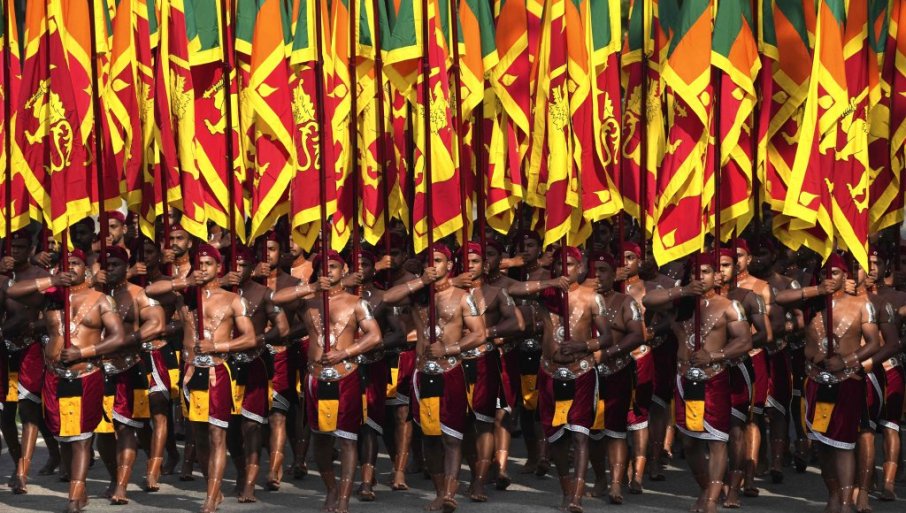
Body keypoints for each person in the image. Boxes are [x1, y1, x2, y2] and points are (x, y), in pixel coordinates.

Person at [9, 249, 128, 513]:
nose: (70, 267)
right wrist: (51, 281)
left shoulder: (100, 299)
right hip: (54, 377)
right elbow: (13, 291)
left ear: (86, 269)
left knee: (82, 439)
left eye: (75, 263)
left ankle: (74, 499)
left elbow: (118, 337)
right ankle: (79, 492)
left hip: (86, 375)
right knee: (63, 437)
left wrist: (84, 352)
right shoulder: (50, 299)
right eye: (65, 264)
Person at [149, 243, 256, 513]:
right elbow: (150, 291)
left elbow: (249, 338)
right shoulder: (184, 296)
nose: (203, 268)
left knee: (217, 434)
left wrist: (218, 346)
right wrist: (184, 282)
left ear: (219, 268)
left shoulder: (232, 299)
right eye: (200, 264)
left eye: (209, 264)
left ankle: (210, 496)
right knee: (199, 436)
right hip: (190, 371)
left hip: (217, 371)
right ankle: (213, 487)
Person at [273, 250, 382, 513]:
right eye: (323, 267)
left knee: (347, 439)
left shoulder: (357, 303)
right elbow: (276, 297)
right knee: (321, 440)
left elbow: (374, 336)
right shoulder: (308, 303)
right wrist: (311, 287)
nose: (328, 271)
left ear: (344, 271)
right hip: (316, 376)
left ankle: (343, 497)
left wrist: (346, 352)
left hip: (346, 375)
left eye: (333, 267)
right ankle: (331, 488)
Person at [644, 253, 753, 513]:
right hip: (684, 379)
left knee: (716, 440)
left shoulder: (730, 306)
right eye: (695, 272)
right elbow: (648, 300)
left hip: (714, 378)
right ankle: (707, 489)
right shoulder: (680, 304)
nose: (700, 277)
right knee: (690, 441)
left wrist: (715, 355)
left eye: (705, 272)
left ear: (716, 276)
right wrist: (683, 290)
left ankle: (712, 500)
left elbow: (745, 341)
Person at [383, 243, 487, 512]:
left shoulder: (464, 296)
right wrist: (421, 281)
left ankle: (451, 493)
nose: (433, 265)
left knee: (452, 436)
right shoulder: (418, 296)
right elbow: (388, 298)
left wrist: (450, 349)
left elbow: (479, 334)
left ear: (449, 265)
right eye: (429, 261)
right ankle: (440, 492)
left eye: (438, 261)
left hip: (451, 370)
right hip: (423, 372)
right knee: (429, 437)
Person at [801, 253, 881, 513]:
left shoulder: (862, 305)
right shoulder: (813, 304)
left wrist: (847, 360)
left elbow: (874, 343)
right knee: (823, 445)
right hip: (816, 380)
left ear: (845, 275)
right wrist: (817, 290)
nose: (829, 277)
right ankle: (834, 494)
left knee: (844, 444)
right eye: (825, 272)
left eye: (835, 272)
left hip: (847, 381)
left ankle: (847, 502)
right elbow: (780, 299)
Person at [538, 246, 613, 513]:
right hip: (549, 372)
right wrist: (547, 281)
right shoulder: (545, 296)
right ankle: (566, 488)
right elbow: (514, 288)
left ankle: (577, 497)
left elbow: (607, 337)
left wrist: (584, 345)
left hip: (581, 371)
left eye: (570, 264)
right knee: (556, 437)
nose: (564, 268)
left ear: (580, 268)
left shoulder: (593, 298)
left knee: (580, 434)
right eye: (559, 264)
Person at [453, 241, 523, 502]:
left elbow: (516, 323)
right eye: (465, 261)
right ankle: (475, 472)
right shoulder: (448, 293)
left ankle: (479, 482)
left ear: (485, 265)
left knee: (484, 422)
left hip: (484, 361)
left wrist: (485, 333)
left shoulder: (497, 292)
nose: (470, 266)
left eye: (475, 261)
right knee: (461, 425)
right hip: (455, 362)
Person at [96, 246, 166, 504]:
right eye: (106, 265)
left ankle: (122, 486)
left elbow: (156, 323)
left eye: (115, 264)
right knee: (103, 433)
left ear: (127, 267)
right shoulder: (93, 295)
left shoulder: (139, 293)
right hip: (98, 370)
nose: (110, 269)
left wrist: (128, 339)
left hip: (128, 367)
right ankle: (114, 477)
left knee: (127, 428)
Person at [219, 244, 289, 503]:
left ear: (252, 268)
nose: (238, 269)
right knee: (229, 428)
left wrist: (260, 339)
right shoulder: (219, 293)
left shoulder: (264, 293)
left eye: (243, 265)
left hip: (255, 363)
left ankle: (250, 481)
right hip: (225, 365)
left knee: (252, 426)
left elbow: (282, 328)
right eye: (233, 265)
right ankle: (240, 472)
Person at [0, 229, 61, 491]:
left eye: (21, 247)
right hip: (6, 350)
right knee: (6, 416)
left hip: (32, 350)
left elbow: (53, 315)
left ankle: (23, 472)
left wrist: (35, 326)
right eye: (12, 247)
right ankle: (18, 463)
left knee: (30, 411)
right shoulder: (3, 277)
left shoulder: (41, 276)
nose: (16, 252)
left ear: (31, 249)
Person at [585, 251, 644, 504]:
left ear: (614, 274)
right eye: (594, 270)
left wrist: (608, 353)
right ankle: (600, 478)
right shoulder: (580, 300)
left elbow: (637, 335)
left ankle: (617, 484)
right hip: (588, 373)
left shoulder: (625, 302)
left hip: (618, 371)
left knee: (616, 430)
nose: (598, 275)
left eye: (603, 270)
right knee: (592, 432)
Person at [715, 247, 772, 507]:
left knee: (737, 426)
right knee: (713, 429)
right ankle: (716, 483)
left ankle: (736, 486)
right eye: (716, 266)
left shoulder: (749, 297)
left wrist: (737, 346)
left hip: (738, 367)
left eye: (726, 265)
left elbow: (765, 333)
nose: (721, 271)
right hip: (710, 369)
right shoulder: (701, 299)